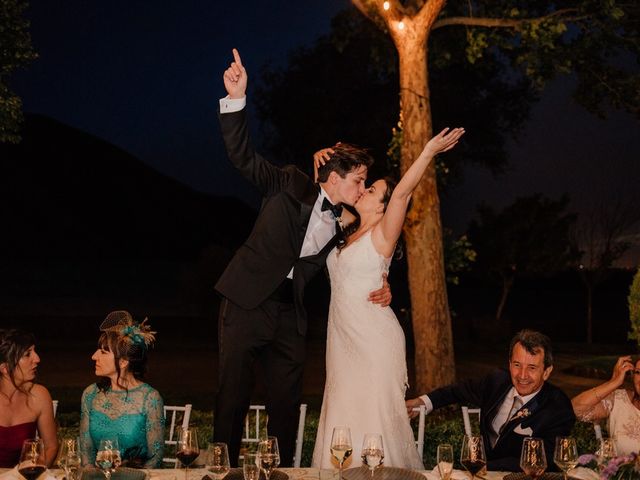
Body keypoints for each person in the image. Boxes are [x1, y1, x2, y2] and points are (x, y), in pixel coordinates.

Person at [215, 48, 392, 467]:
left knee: (286, 405)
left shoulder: (347, 221)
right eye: (359, 180)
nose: (362, 188)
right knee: (232, 397)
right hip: (245, 303)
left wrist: (385, 285)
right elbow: (243, 157)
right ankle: (221, 469)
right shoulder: (289, 182)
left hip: (289, 319)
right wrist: (237, 99)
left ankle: (279, 472)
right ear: (333, 177)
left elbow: (370, 252)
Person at [310, 126, 464, 469]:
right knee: (343, 414)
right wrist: (323, 160)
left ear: (382, 206)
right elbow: (324, 195)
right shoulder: (345, 226)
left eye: (372, 189)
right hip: (342, 344)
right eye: (365, 185)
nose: (363, 190)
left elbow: (403, 195)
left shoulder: (382, 235)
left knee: (375, 420)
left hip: (375, 342)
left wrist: (427, 152)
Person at [406, 329, 575, 471]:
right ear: (509, 364)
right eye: (517, 365)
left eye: (532, 368)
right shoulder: (497, 381)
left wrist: (488, 467)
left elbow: (547, 459)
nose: (522, 375)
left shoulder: (557, 406)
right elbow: (458, 390)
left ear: (546, 371)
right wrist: (423, 402)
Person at [79, 311, 165, 468]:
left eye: (103, 352)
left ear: (124, 361)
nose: (94, 356)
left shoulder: (150, 398)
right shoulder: (90, 394)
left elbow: (155, 457)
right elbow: (86, 453)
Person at [0, 329, 58, 467]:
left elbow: (51, 447)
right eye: (27, 354)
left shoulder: (38, 395)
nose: (37, 359)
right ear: (5, 369)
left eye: (34, 351)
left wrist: (35, 471)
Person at [571, 355, 640, 456]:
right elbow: (575, 409)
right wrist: (613, 382)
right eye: (638, 372)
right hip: (620, 471)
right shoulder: (619, 400)